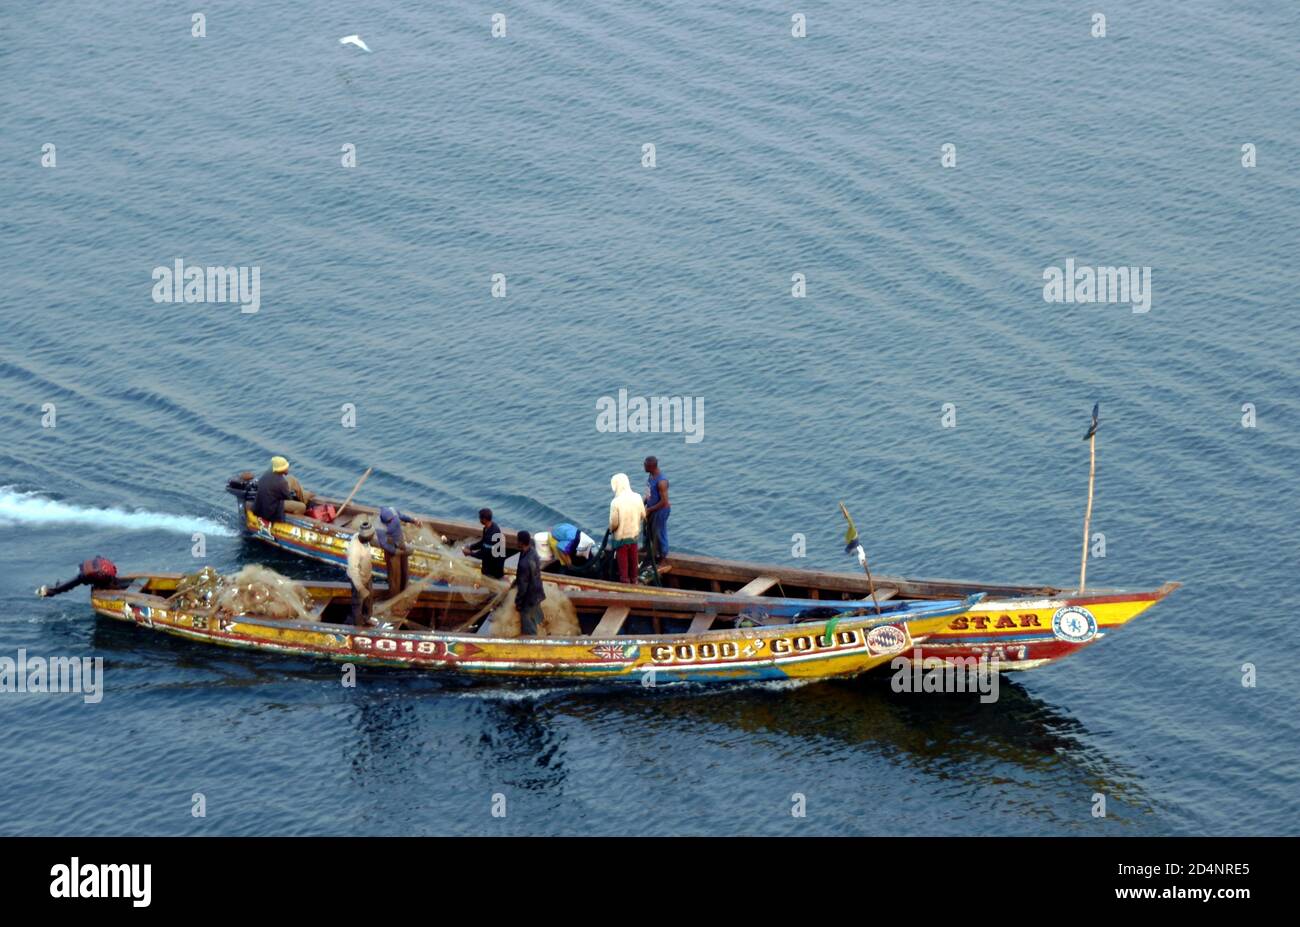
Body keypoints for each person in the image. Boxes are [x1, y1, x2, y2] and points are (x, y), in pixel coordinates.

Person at [609, 473, 646, 584]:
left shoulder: (616, 502)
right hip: (634, 535)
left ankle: (624, 581)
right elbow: (643, 515)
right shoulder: (637, 497)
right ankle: (634, 579)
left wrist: (611, 529)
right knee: (633, 557)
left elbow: (614, 523)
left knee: (623, 559)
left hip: (621, 536)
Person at [252, 456, 311, 521]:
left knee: (291, 479)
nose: (288, 468)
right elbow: (288, 498)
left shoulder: (267, 474)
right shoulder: (281, 482)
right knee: (302, 507)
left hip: (266, 501)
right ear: (281, 469)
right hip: (272, 508)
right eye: (286, 467)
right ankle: (294, 519)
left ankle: (303, 500)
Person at [36, 556, 127, 597]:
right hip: (87, 573)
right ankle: (49, 591)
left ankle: (50, 590)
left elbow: (98, 557)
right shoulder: (105, 575)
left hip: (86, 567)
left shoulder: (108, 570)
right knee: (68, 585)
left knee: (69, 584)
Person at [513, 530, 545, 636]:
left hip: (529, 599)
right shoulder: (533, 552)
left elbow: (523, 587)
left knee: (529, 628)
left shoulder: (524, 563)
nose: (516, 542)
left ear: (521, 543)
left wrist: (518, 603)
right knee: (536, 619)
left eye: (517, 541)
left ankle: (533, 646)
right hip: (537, 593)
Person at [346, 521, 376, 626]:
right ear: (366, 537)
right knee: (358, 602)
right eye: (372, 536)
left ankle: (367, 618)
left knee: (369, 598)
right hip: (358, 579)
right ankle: (358, 624)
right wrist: (360, 588)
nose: (373, 537)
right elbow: (353, 570)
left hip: (367, 575)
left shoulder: (361, 537)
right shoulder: (355, 550)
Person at [462, 508, 506, 579]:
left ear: (484, 519)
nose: (479, 520)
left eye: (480, 518)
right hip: (490, 561)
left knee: (492, 586)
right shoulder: (489, 527)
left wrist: (469, 553)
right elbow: (483, 542)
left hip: (493, 567)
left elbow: (484, 554)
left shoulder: (491, 535)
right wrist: (470, 547)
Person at [642, 456, 671, 561]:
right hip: (652, 508)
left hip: (660, 511)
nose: (643, 466)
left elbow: (664, 502)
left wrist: (649, 510)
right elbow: (649, 493)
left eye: (645, 465)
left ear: (651, 466)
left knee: (659, 533)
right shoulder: (651, 475)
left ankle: (663, 555)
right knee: (647, 529)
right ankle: (646, 547)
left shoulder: (661, 482)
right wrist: (643, 503)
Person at [377, 507, 409, 598]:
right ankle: (395, 597)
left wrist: (413, 520)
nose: (392, 522)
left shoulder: (394, 511)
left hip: (400, 543)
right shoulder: (379, 527)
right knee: (395, 576)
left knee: (404, 570)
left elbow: (402, 516)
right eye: (389, 521)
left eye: (392, 520)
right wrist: (395, 551)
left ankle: (404, 591)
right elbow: (383, 544)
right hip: (391, 547)